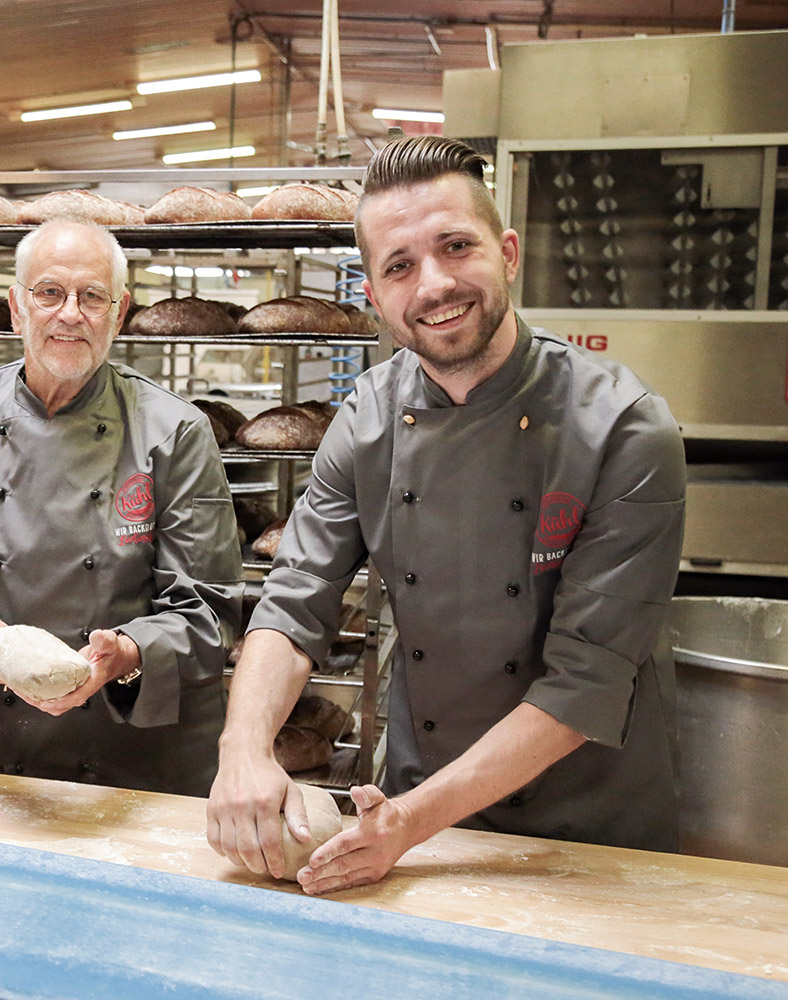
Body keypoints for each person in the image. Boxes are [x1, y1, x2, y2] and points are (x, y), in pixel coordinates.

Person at [206, 135, 686, 893]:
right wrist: (243, 749)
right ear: (374, 292)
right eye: (399, 264)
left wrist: (409, 822)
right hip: (417, 818)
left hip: (590, 835)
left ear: (507, 252)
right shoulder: (364, 420)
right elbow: (295, 600)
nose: (433, 284)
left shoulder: (623, 427)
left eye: (455, 246)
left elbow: (584, 681)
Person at [0, 219, 242, 795]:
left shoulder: (176, 432)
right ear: (17, 308)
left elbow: (209, 608)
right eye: (49, 293)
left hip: (138, 757)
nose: (70, 313)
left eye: (92, 296)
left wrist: (128, 652)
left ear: (118, 316)